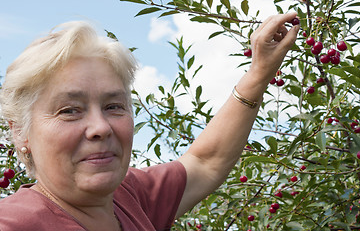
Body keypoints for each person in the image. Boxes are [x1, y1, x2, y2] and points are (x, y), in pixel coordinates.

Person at [0, 12, 299, 231]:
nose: (101, 127)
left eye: (114, 106)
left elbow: (205, 161)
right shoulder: (14, 223)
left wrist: (260, 72)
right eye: (69, 110)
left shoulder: (128, 197)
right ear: (20, 132)